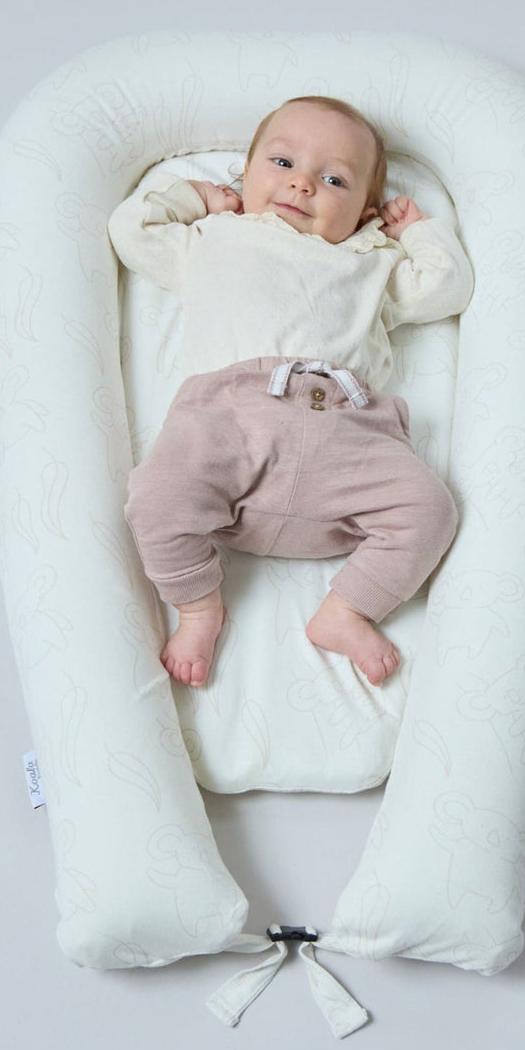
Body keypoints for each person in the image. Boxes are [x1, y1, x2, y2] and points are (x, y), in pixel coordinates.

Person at [108, 96, 473, 689]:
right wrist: (195, 199)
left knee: (431, 511)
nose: (303, 184)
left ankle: (347, 609)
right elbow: (132, 229)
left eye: (334, 179)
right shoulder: (214, 238)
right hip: (231, 418)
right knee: (153, 497)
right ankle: (199, 606)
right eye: (281, 163)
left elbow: (446, 288)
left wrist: (418, 232)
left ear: (363, 212)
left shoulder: (370, 263)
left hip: (348, 427)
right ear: (244, 177)